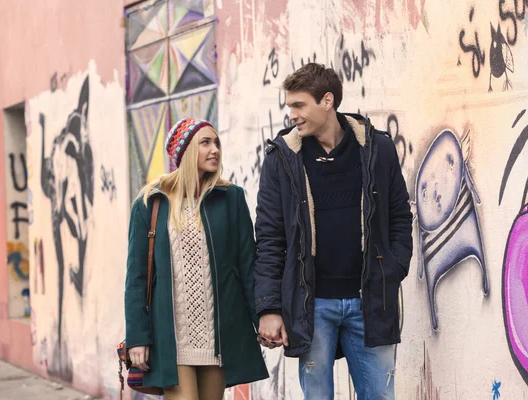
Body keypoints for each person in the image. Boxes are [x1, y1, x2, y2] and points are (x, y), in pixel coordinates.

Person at [254, 63, 413, 400]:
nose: (293, 114)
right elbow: (270, 238)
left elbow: (400, 214)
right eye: (290, 107)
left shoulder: (376, 148)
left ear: (327, 101)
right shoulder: (282, 158)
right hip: (312, 305)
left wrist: (394, 267)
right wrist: (269, 308)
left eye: (299, 105)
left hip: (369, 300)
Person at [124, 117, 268, 400]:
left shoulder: (231, 199)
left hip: (218, 338)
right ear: (186, 150)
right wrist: (138, 337)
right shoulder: (152, 202)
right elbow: (137, 276)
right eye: (205, 142)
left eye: (216, 143)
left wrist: (261, 318)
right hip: (171, 339)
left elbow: (248, 266)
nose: (215, 149)